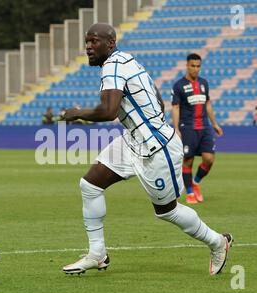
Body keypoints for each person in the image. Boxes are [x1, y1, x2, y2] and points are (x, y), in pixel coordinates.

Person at [61, 23, 233, 276]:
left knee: (167, 211)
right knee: (90, 185)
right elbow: (157, 97)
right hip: (133, 140)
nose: (88, 46)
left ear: (110, 43)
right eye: (86, 41)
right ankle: (97, 254)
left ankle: (218, 242)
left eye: (94, 41)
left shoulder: (113, 66)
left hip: (155, 148)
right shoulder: (128, 60)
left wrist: (77, 114)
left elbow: (109, 111)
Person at [171, 53, 223, 204]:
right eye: (193, 66)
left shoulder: (204, 83)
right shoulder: (179, 85)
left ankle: (196, 182)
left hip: (204, 127)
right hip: (188, 127)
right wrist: (176, 128)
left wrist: (215, 124)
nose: (195, 69)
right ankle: (190, 193)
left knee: (209, 158)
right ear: (187, 66)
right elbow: (175, 107)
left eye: (198, 66)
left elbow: (207, 104)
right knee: (188, 161)